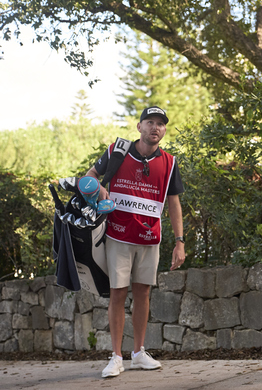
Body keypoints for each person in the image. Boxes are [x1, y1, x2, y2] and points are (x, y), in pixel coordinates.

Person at [86, 106, 185, 378]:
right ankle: (116, 357)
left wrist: (180, 241)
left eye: (160, 124)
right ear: (139, 127)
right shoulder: (116, 151)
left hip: (150, 238)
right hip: (117, 234)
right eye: (150, 122)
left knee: (143, 293)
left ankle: (139, 353)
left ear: (164, 130)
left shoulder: (169, 162)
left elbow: (174, 203)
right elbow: (88, 177)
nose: (155, 128)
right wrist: (99, 189)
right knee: (118, 293)